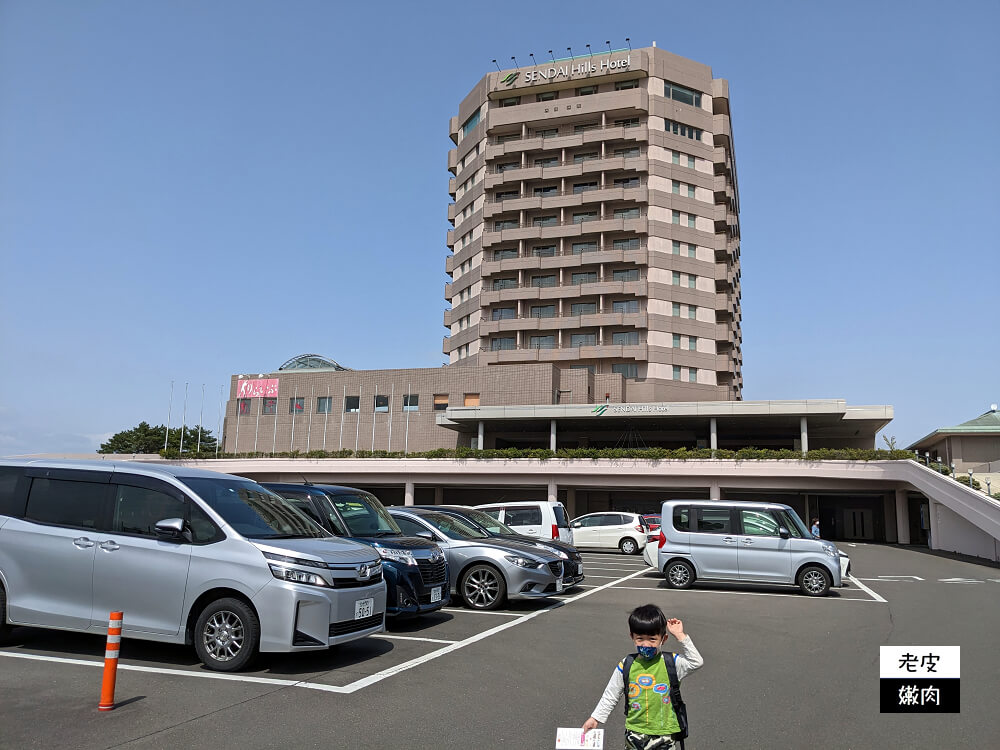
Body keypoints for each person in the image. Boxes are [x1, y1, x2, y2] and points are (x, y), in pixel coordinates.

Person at [582, 604, 703, 750]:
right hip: (635, 732)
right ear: (632, 637)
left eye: (652, 639)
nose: (645, 644)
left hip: (665, 733)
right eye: (640, 639)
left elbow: (696, 662)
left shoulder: (672, 662)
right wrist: (595, 718)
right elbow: (611, 694)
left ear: (663, 639)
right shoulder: (626, 665)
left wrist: (680, 635)